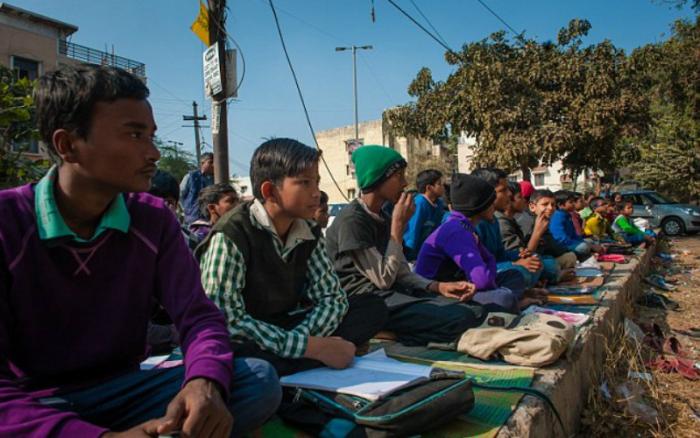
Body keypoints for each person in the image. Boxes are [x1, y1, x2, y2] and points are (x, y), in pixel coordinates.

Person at [0, 65, 280, 437]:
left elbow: (199, 317)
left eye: (151, 136)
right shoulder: (8, 222)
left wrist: (203, 381)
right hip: (37, 401)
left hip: (127, 390)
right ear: (67, 145)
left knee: (257, 380)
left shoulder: (152, 219)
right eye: (134, 134)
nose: (153, 153)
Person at [198, 139, 388, 376]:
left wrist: (301, 341)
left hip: (286, 327)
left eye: (316, 182)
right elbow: (227, 320)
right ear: (270, 191)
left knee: (371, 308)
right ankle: (313, 359)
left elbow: (332, 298)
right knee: (240, 356)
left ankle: (297, 363)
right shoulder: (231, 235)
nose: (316, 193)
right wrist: (312, 347)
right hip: (250, 335)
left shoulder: (308, 230)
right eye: (304, 183)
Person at [326, 145, 488, 346]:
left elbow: (401, 271)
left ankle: (395, 331)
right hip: (367, 301)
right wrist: (398, 228)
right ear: (378, 179)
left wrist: (438, 286)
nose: (404, 183)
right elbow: (383, 279)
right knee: (459, 318)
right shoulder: (352, 220)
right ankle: (385, 332)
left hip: (391, 294)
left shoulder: (384, 215)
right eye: (398, 176)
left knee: (475, 310)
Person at [415, 174, 531, 313]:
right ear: (479, 206)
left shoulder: (464, 225)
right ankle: (514, 303)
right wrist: (484, 253)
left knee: (514, 276)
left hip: (463, 284)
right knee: (504, 298)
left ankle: (512, 301)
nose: (494, 207)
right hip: (436, 296)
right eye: (490, 202)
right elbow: (482, 281)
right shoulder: (456, 230)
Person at [471, 168, 543, 289]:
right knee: (521, 273)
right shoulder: (474, 223)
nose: (509, 194)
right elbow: (478, 267)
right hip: (483, 275)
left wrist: (518, 255)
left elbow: (500, 254)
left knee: (535, 260)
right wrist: (514, 263)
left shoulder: (493, 220)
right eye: (503, 190)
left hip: (500, 267)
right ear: (486, 193)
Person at [496, 182, 561, 284]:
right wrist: (537, 232)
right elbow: (522, 255)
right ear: (509, 200)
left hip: (516, 261)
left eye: (553, 205)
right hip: (505, 266)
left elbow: (524, 252)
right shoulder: (503, 221)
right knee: (545, 264)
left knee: (547, 261)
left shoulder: (511, 220)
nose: (524, 201)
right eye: (520, 197)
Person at [520, 189, 578, 275]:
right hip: (529, 262)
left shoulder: (545, 221)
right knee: (552, 264)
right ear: (532, 207)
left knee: (569, 256)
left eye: (553, 205)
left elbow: (552, 246)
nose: (550, 208)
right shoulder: (526, 222)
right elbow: (525, 253)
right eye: (545, 204)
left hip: (543, 256)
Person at [402, 169, 446, 261]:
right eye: (439, 184)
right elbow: (412, 233)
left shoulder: (439, 204)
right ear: (429, 188)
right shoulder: (419, 204)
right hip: (413, 256)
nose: (443, 186)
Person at [549, 190, 601, 258]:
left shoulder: (567, 215)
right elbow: (561, 239)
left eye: (573, 201)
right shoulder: (557, 216)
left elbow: (575, 235)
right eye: (571, 202)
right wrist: (586, 245)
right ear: (560, 205)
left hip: (570, 242)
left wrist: (584, 242)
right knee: (584, 247)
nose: (574, 204)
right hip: (563, 245)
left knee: (592, 241)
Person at [180, 152, 215, 225]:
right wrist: (186, 209)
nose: (213, 165)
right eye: (210, 162)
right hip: (193, 219)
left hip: (209, 219)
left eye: (215, 162)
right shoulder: (191, 177)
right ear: (202, 163)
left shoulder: (216, 179)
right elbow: (180, 194)